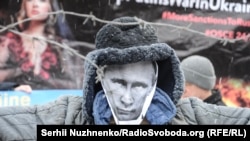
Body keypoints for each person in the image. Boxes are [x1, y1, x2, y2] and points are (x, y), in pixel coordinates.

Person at [1, 16, 250, 140]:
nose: (128, 99)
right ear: (100, 79)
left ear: (155, 84)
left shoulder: (191, 116)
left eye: (140, 84)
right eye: (119, 83)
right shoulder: (68, 114)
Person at [0, 0, 83, 89]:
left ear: (50, 7)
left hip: (53, 100)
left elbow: (76, 83)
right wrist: (12, 85)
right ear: (24, 5)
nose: (35, 4)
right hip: (14, 100)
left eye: (42, 1)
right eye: (30, 0)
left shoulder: (60, 46)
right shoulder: (9, 40)